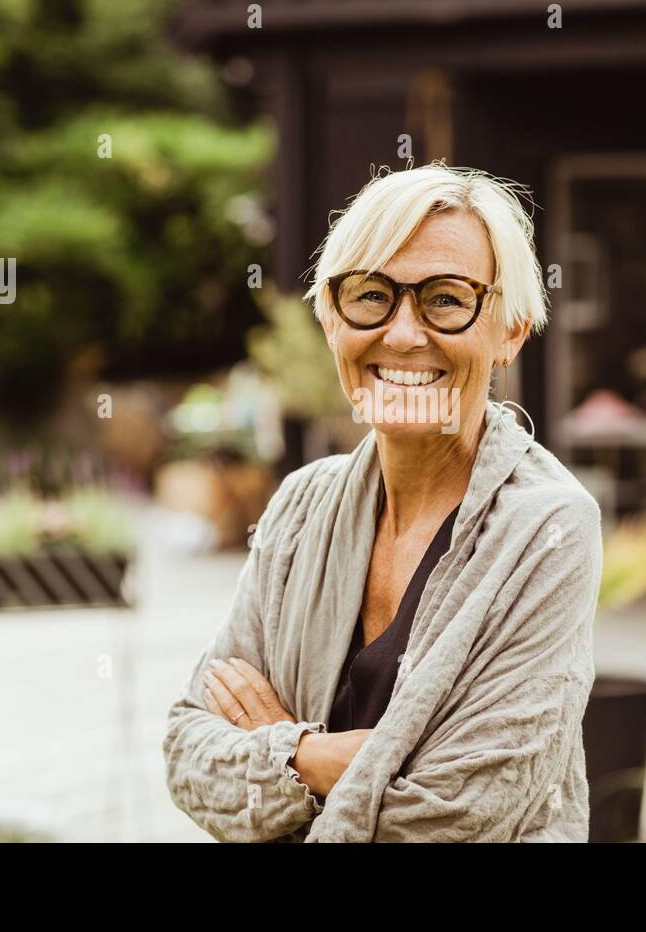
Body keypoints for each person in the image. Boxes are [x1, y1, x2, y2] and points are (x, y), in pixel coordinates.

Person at [163, 162, 602, 841]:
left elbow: (466, 808)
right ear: (330, 318)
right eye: (371, 296)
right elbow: (189, 751)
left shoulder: (548, 525)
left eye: (446, 299)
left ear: (510, 330)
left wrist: (283, 754)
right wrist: (325, 757)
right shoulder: (301, 506)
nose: (401, 334)